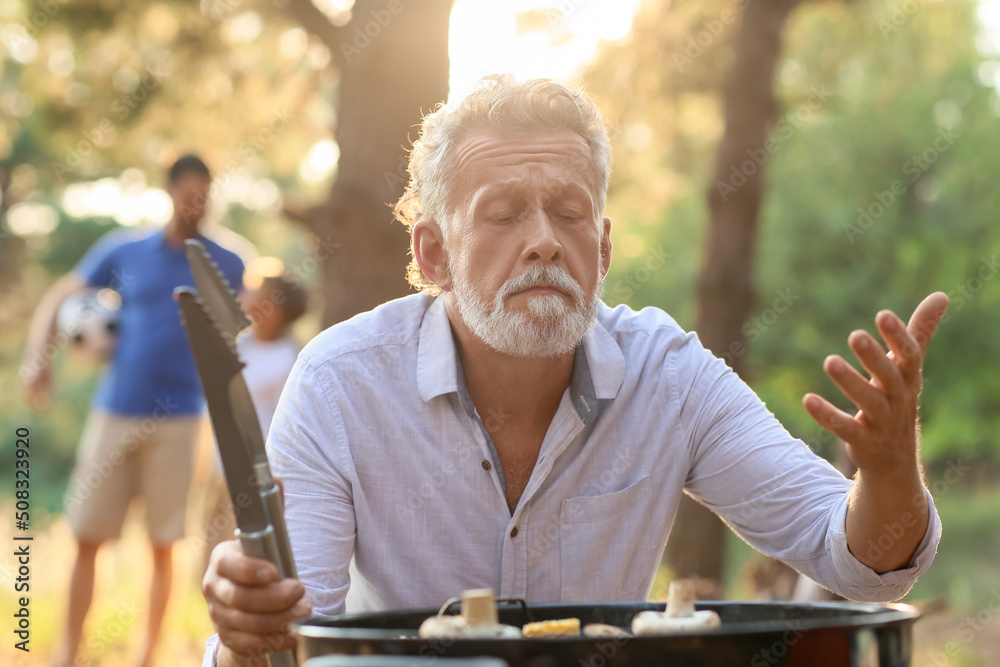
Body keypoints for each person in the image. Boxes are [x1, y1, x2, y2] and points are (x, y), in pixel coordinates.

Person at [200, 76, 949, 667]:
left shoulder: (671, 376)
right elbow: (294, 641)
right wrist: (244, 626)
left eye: (568, 211)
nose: (543, 243)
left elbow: (859, 561)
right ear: (433, 255)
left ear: (604, 246)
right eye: (502, 214)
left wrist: (887, 470)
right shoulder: (342, 381)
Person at [21, 155, 246, 667]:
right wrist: (39, 359)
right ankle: (67, 655)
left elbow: (245, 334)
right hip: (116, 413)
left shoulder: (228, 261)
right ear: (168, 192)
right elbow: (63, 294)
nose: (197, 205)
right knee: (85, 537)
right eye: (189, 193)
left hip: (185, 419)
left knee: (166, 545)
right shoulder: (124, 251)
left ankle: (148, 658)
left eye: (205, 195)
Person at [199, 273, 309, 569]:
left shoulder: (289, 359)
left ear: (275, 312)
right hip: (223, 466)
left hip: (259, 473)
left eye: (257, 297)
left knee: (250, 557)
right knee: (213, 552)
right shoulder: (241, 344)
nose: (246, 300)